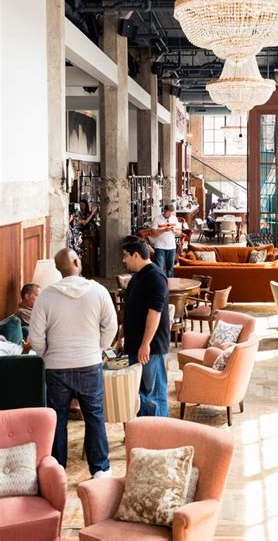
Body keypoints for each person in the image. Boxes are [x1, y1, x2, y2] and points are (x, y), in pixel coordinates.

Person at [29, 248, 117, 477]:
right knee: (94, 416)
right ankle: (99, 469)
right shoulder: (98, 291)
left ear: (58, 269)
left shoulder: (46, 296)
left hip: (56, 366)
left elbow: (35, 337)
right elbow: (111, 327)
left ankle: (57, 470)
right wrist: (98, 348)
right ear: (78, 262)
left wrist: (47, 354)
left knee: (58, 419)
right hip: (89, 363)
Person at [121, 236, 170, 417]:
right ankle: (144, 433)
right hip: (135, 345)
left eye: (126, 255)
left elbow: (154, 313)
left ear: (136, 255)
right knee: (139, 392)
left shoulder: (155, 277)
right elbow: (130, 311)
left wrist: (145, 344)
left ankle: (159, 434)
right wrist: (122, 337)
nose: (123, 260)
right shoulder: (137, 277)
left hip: (151, 348)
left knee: (153, 394)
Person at [148, 203, 181, 278]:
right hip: (160, 246)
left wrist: (175, 231)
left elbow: (180, 232)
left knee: (170, 268)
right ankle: (160, 284)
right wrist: (164, 230)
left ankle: (170, 285)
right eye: (168, 212)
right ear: (164, 210)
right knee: (159, 268)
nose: (169, 215)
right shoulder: (157, 219)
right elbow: (153, 234)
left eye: (171, 213)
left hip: (171, 246)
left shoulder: (174, 218)